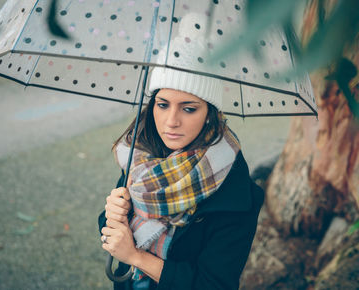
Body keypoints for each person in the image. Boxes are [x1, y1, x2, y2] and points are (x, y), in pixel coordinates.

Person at [97, 61, 264, 289]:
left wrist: (136, 257)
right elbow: (112, 236)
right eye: (163, 105)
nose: (171, 121)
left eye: (189, 108)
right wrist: (113, 216)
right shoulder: (141, 156)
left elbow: (214, 285)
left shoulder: (234, 193)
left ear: (209, 113)